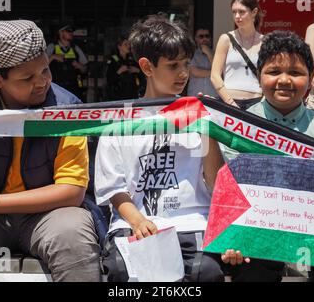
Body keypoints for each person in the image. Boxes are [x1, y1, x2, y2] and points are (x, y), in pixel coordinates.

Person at [0, 20, 101, 282]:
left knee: (73, 235)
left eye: (45, 70)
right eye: (28, 77)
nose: (43, 82)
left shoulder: (66, 110)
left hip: (49, 214)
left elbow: (71, 192)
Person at [95, 15, 228, 282]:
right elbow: (114, 190)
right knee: (122, 272)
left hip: (191, 223)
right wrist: (138, 221)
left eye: (186, 64)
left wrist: (209, 131)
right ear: (146, 67)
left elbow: (215, 181)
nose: (183, 73)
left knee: (208, 273)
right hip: (134, 223)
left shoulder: (197, 115)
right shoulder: (120, 120)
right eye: (173, 65)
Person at [223, 30, 314, 282]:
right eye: (274, 72)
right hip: (257, 236)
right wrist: (231, 237)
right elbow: (231, 194)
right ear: (258, 76)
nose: (284, 80)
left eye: (295, 73)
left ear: (309, 78)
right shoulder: (239, 128)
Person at [210, 0, 263, 110]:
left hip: (257, 103)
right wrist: (230, 103)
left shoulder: (264, 42)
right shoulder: (226, 39)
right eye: (234, 12)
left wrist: (264, 101)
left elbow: (268, 76)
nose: (237, 16)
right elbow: (214, 75)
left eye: (242, 12)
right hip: (229, 102)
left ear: (254, 12)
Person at [46, 23, 88, 101]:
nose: (71, 33)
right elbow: (41, 66)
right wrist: (53, 57)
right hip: (57, 88)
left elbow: (85, 69)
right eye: (68, 31)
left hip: (73, 87)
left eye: (72, 31)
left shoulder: (75, 48)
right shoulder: (52, 47)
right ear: (60, 32)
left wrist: (80, 66)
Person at [105, 33, 143, 101]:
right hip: (118, 96)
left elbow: (143, 76)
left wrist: (137, 71)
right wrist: (119, 71)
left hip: (132, 95)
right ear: (119, 47)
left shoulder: (132, 59)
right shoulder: (113, 60)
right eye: (125, 44)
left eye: (129, 44)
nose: (128, 46)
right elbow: (108, 79)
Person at [186, 27, 217, 98]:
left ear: (210, 38)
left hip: (214, 97)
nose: (204, 39)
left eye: (207, 36)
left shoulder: (217, 54)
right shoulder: (191, 54)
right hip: (194, 96)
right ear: (196, 39)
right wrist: (214, 73)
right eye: (201, 36)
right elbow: (195, 72)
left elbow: (220, 73)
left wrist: (209, 54)